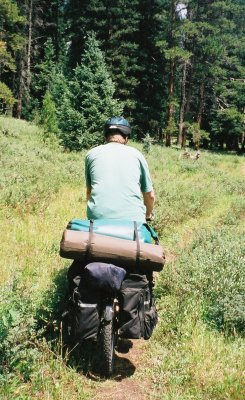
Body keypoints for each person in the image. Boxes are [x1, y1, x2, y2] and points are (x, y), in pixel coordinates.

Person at [85, 116, 155, 222]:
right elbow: (149, 195)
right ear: (126, 137)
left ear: (105, 136)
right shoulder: (137, 155)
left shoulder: (91, 154)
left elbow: (89, 192)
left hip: (97, 219)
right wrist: (148, 215)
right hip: (133, 220)